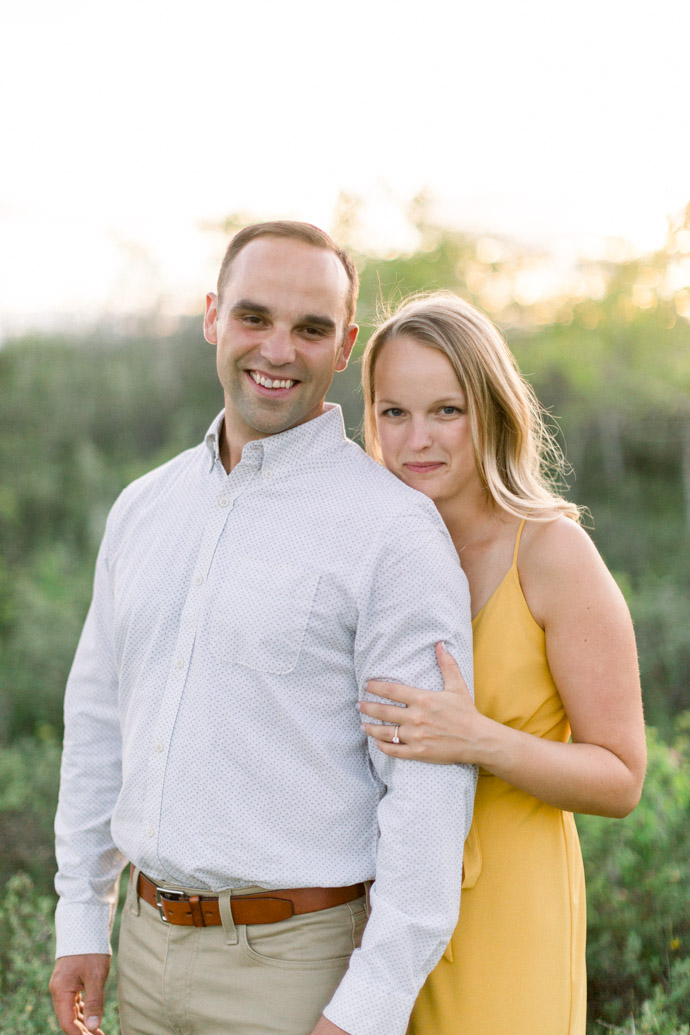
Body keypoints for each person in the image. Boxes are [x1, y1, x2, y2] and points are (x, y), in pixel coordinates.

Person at [49, 224, 477, 1035]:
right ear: (213, 316)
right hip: (138, 950)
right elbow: (99, 721)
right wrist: (81, 916)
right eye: (255, 317)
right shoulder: (144, 507)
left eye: (311, 328)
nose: (278, 350)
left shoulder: (392, 531)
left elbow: (427, 790)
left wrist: (368, 1009)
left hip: (295, 975)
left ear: (345, 345)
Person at [358, 292, 647, 1034]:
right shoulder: (370, 554)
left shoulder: (551, 552)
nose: (417, 438)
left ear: (491, 410)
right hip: (378, 911)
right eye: (394, 412)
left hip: (508, 911)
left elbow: (621, 778)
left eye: (446, 410)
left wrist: (477, 737)